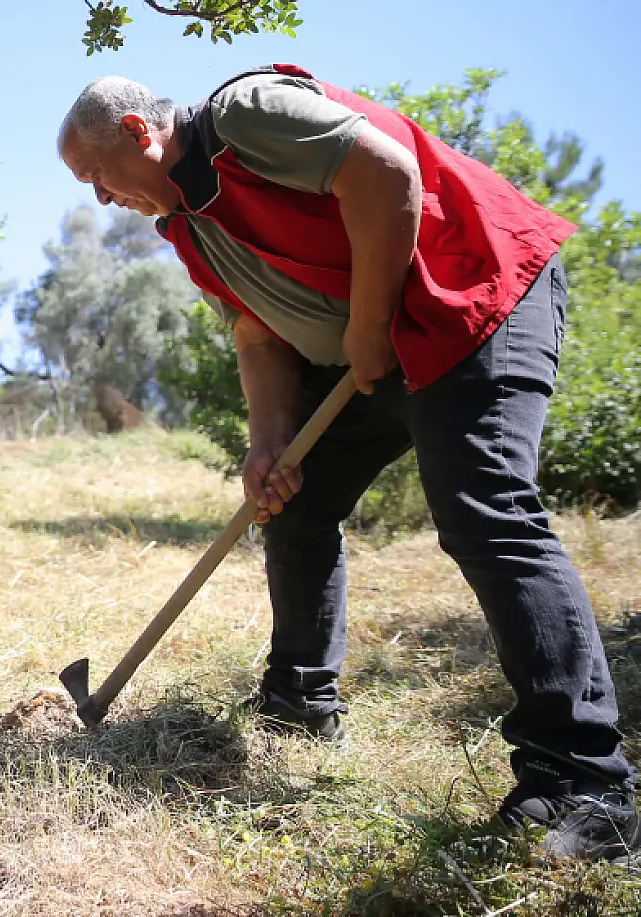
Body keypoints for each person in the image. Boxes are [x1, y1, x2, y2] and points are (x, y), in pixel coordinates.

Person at [55, 64, 636, 860]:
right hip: (377, 340)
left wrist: (367, 330)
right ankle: (300, 700)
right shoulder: (190, 227)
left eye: (94, 176)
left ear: (136, 131)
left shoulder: (243, 117)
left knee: (483, 507)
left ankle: (584, 779)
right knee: (291, 496)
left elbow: (385, 171)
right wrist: (268, 444)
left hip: (471, 293)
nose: (98, 198)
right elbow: (258, 331)